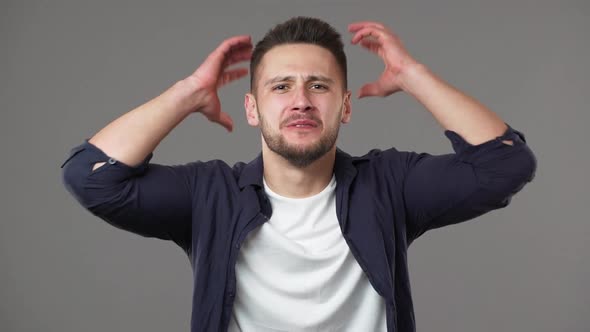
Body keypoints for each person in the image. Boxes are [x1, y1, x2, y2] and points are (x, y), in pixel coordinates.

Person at [61, 17, 536, 332]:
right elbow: (92, 176)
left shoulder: (389, 185)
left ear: (345, 106)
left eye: (319, 86)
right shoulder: (212, 196)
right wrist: (188, 93)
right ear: (252, 108)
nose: (301, 100)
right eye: (281, 86)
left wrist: (412, 74)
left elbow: (505, 163)